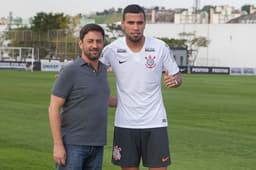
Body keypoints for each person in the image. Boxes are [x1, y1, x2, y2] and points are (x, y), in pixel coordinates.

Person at [100, 4, 182, 170]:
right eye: (131, 23)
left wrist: (176, 81)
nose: (136, 27)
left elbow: (177, 75)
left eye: (140, 23)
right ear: (122, 24)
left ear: (145, 24)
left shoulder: (160, 47)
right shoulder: (112, 50)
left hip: (155, 121)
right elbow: (90, 74)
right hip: (125, 123)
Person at [48, 23, 116, 170]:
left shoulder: (103, 70)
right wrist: (58, 145)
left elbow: (103, 99)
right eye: (90, 41)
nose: (95, 45)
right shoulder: (70, 71)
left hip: (97, 145)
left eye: (98, 41)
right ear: (81, 44)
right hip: (73, 145)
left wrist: (135, 99)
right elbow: (54, 108)